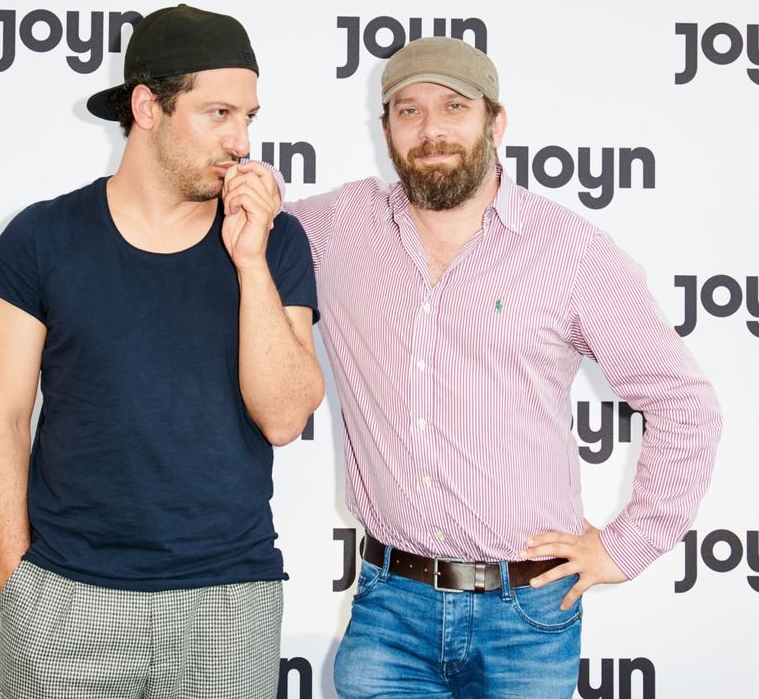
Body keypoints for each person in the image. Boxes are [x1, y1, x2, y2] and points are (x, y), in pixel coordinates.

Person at [284, 37, 722, 698]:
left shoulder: (572, 252)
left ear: (496, 121)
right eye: (409, 111)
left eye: (454, 107)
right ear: (385, 130)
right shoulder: (340, 225)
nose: (431, 130)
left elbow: (683, 402)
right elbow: (224, 232)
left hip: (527, 615)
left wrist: (627, 545)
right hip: (389, 611)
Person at [0, 4, 323, 699]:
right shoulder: (42, 239)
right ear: (147, 107)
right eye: (219, 113)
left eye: (249, 117)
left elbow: (284, 417)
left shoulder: (275, 242)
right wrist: (19, 585)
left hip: (228, 600)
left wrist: (249, 261)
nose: (240, 140)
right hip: (67, 600)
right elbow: (2, 422)